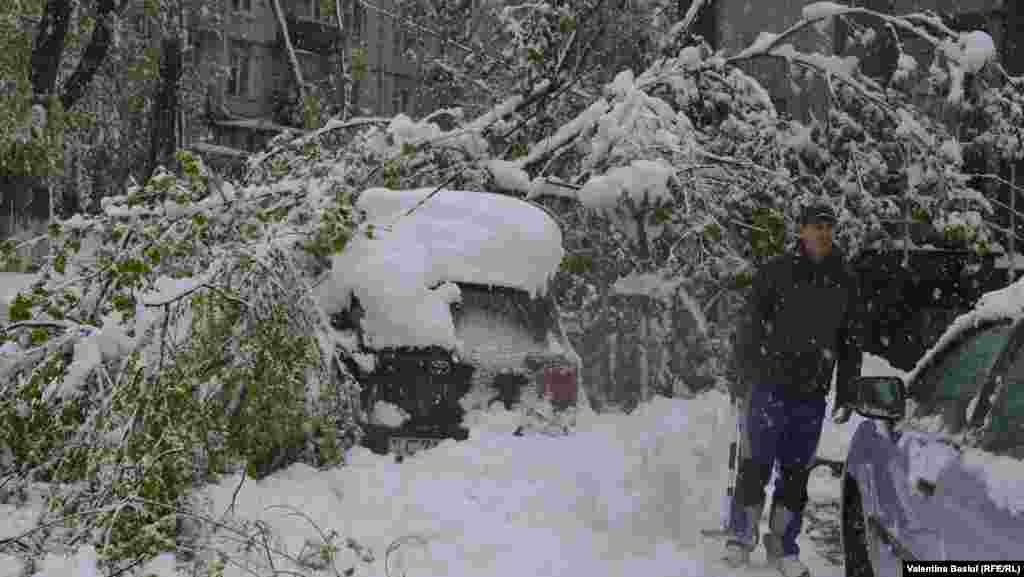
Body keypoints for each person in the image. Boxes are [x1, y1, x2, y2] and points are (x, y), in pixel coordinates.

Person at [724, 202, 862, 577]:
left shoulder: (845, 280)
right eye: (816, 227)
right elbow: (750, 325)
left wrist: (847, 391)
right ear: (801, 231)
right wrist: (741, 373)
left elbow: (851, 340)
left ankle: (784, 546)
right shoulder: (776, 273)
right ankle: (740, 538)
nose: (823, 233)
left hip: (812, 392)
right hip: (768, 384)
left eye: (828, 227)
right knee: (754, 465)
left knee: (796, 472)